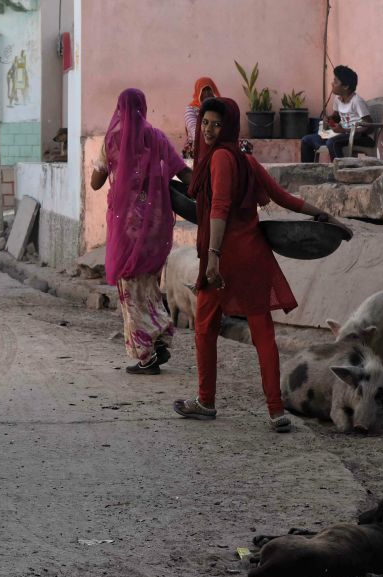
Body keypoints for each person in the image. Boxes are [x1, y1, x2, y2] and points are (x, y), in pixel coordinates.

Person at [174, 97, 352, 431]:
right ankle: (275, 411)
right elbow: (282, 197)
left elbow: (219, 209)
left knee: (204, 327)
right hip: (254, 255)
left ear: (227, 126)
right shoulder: (246, 160)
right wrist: (325, 217)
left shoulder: (219, 160)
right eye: (205, 123)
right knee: (263, 333)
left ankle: (205, 400)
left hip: (225, 257)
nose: (210, 130)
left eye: (216, 124)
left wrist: (212, 257)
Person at [91, 88, 193, 375]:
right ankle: (159, 337)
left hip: (126, 229)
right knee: (147, 283)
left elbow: (96, 183)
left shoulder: (112, 141)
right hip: (154, 228)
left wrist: (106, 168)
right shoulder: (158, 139)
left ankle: (147, 354)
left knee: (129, 289)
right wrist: (208, 188)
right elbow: (183, 173)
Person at [300, 65, 373, 163]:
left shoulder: (357, 101)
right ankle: (307, 172)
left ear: (346, 86)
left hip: (358, 136)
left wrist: (345, 130)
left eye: (335, 81)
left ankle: (340, 172)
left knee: (332, 142)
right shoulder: (338, 100)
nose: (332, 84)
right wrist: (329, 119)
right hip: (341, 134)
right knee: (306, 140)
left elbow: (369, 126)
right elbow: (336, 117)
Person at [183, 77, 220, 159]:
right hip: (197, 144)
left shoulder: (221, 106)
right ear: (198, 92)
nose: (206, 94)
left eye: (209, 90)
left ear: (214, 91)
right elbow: (194, 130)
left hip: (218, 142)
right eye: (203, 90)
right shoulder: (191, 109)